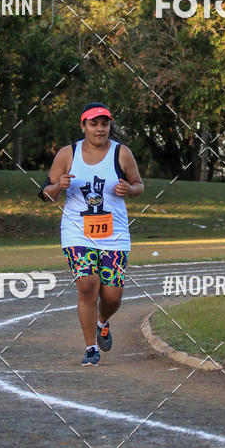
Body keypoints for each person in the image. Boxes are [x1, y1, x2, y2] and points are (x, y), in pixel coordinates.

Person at [38, 103, 144, 366]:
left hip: (115, 234)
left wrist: (128, 190)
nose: (100, 129)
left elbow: (139, 185)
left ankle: (102, 321)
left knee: (112, 296)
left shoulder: (121, 153)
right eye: (94, 124)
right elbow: (44, 193)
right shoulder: (67, 154)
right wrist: (58, 186)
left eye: (104, 124)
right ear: (83, 125)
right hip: (77, 233)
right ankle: (90, 348)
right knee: (87, 286)